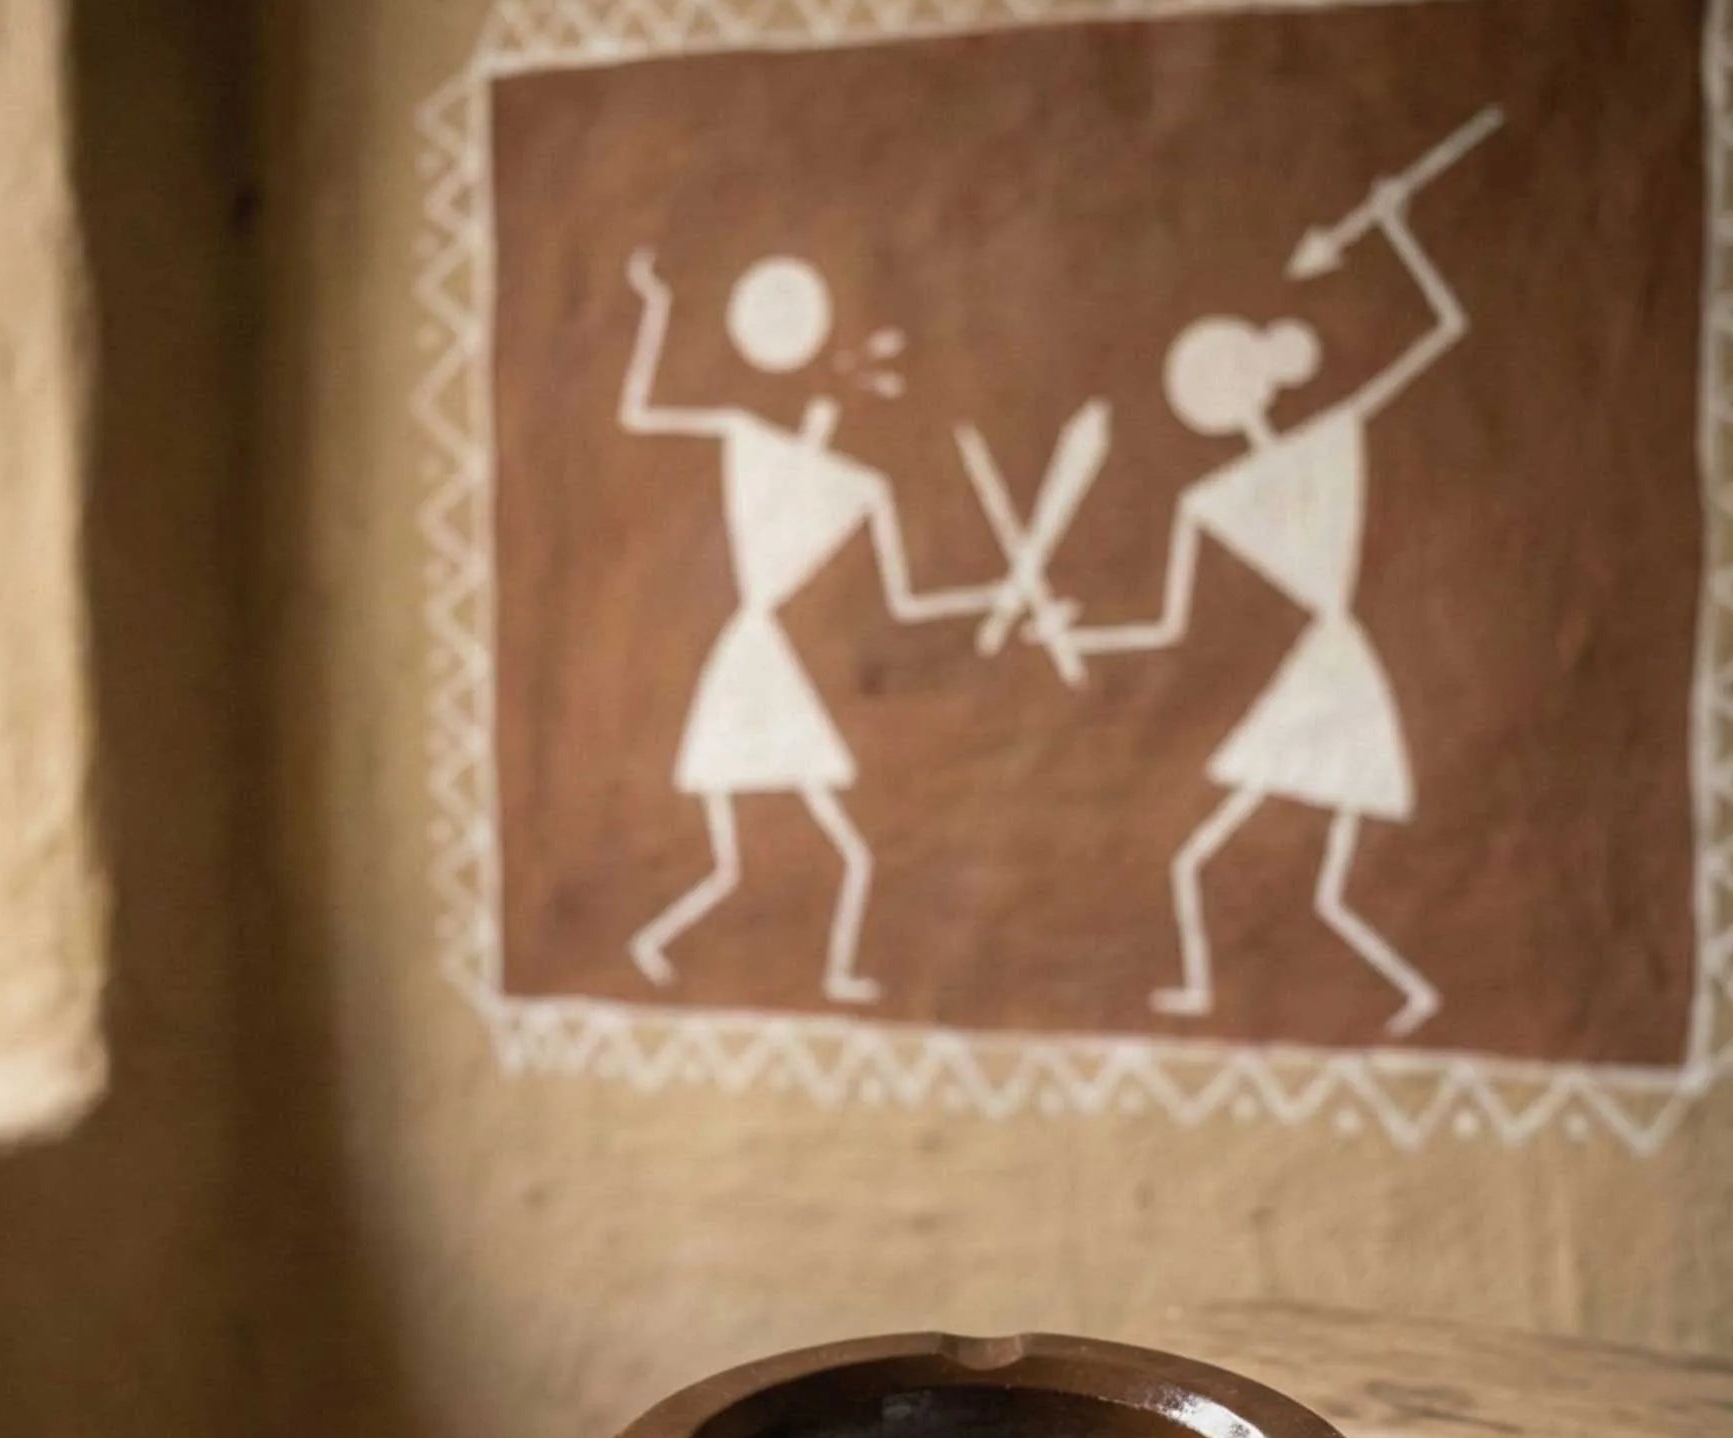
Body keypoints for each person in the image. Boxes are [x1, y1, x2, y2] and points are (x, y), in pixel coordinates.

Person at [1038, 168, 1477, 1039]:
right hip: (1321, 677)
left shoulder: (1313, 443)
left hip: (1334, 681)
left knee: (1250, 868)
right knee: (1260, 872)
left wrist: (1397, 226)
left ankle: (1409, 992)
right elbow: (1167, 623)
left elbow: (1446, 329)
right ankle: (1389, 992)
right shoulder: (1231, 488)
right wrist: (1075, 628)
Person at [620, 250, 1006, 1004]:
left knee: (825, 857)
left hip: (764, 676)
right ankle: (659, 941)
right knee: (781, 861)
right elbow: (641, 411)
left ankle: (805, 967)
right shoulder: (759, 443)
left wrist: (989, 600)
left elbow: (907, 601)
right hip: (750, 674)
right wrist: (654, 304)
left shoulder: (855, 486)